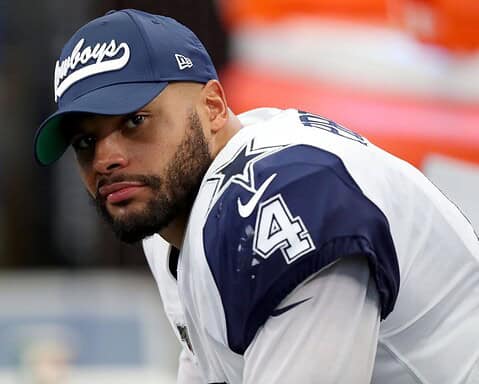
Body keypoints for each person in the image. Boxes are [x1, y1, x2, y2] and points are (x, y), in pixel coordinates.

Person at [34, 9, 479, 384]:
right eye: (84, 143)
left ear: (212, 107)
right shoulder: (169, 213)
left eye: (135, 122)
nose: (106, 159)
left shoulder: (277, 195)